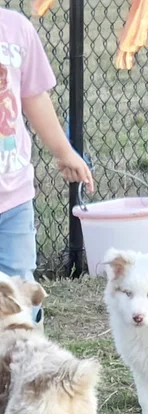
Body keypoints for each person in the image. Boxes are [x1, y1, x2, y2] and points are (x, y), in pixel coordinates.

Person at [0, 7, 94, 324]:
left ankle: (24, 351)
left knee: (19, 293)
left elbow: (34, 97)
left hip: (12, 196)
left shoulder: (16, 28)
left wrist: (64, 151)